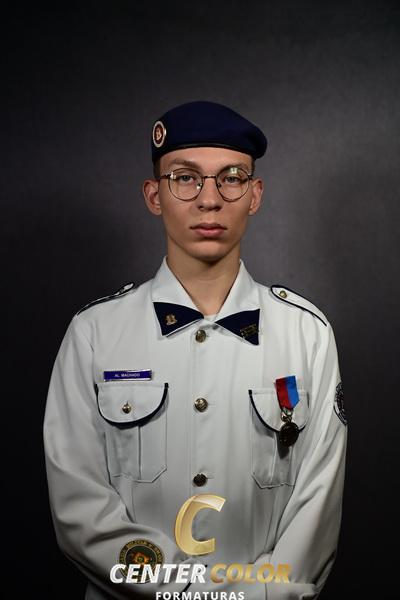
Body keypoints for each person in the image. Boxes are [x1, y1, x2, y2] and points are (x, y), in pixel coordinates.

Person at [43, 101, 347, 600]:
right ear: (154, 195)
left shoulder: (307, 335)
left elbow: (317, 505)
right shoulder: (94, 334)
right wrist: (184, 592)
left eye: (232, 178)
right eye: (185, 178)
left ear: (255, 194)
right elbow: (81, 511)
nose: (209, 200)